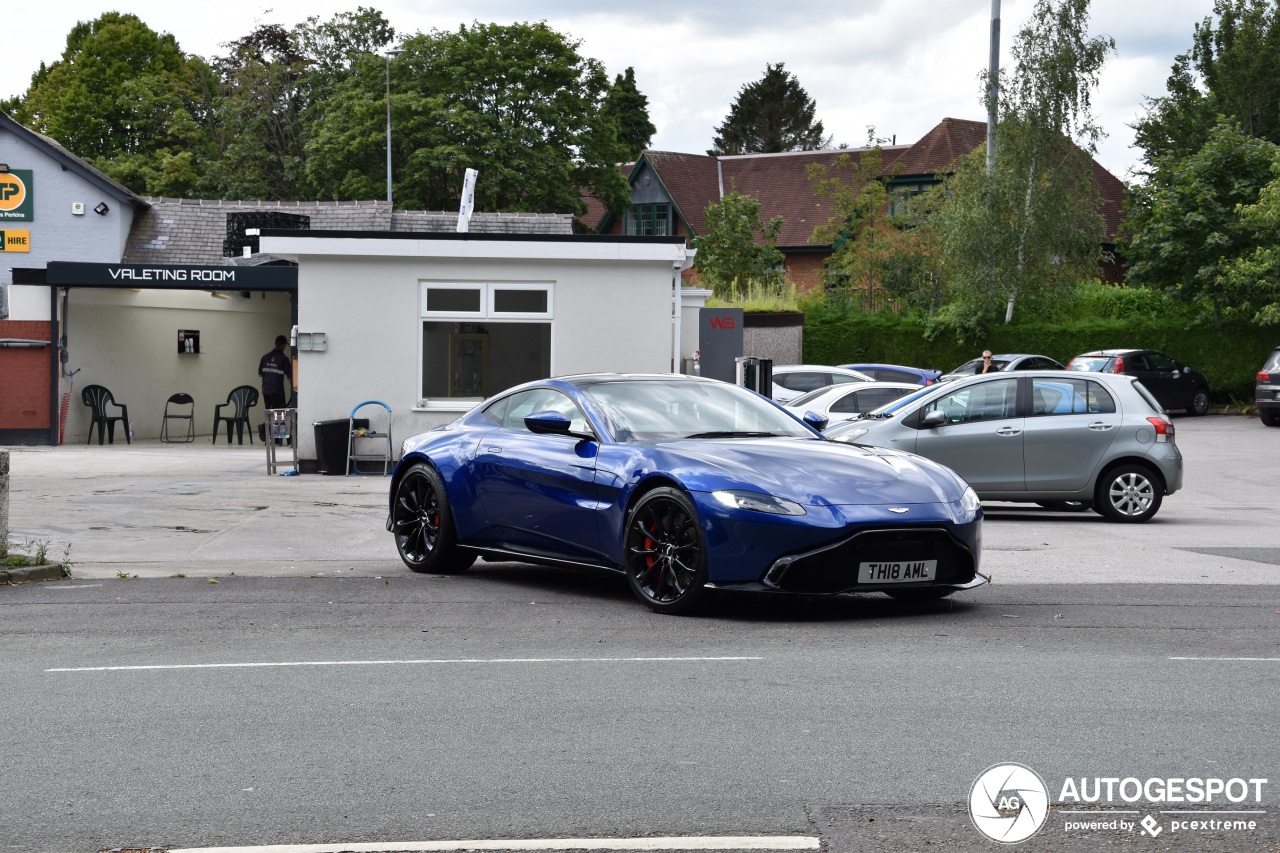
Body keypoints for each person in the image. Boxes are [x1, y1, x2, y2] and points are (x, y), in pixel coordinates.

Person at [258, 334, 293, 409]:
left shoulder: (265, 357)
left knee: (269, 413)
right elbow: (290, 378)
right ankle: (277, 421)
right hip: (277, 392)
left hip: (266, 390)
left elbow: (260, 374)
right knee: (279, 415)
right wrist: (296, 390)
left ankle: (269, 421)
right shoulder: (284, 359)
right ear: (284, 345)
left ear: (275, 343)